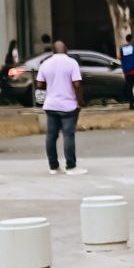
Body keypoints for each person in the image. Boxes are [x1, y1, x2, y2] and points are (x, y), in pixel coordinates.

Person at [37, 40, 85, 175]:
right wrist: (79, 101)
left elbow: (39, 84)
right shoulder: (71, 63)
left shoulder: (45, 64)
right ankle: (71, 167)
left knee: (51, 136)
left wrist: (51, 87)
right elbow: (76, 84)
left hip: (51, 105)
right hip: (68, 105)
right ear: (66, 50)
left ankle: (53, 167)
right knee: (68, 135)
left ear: (53, 50)